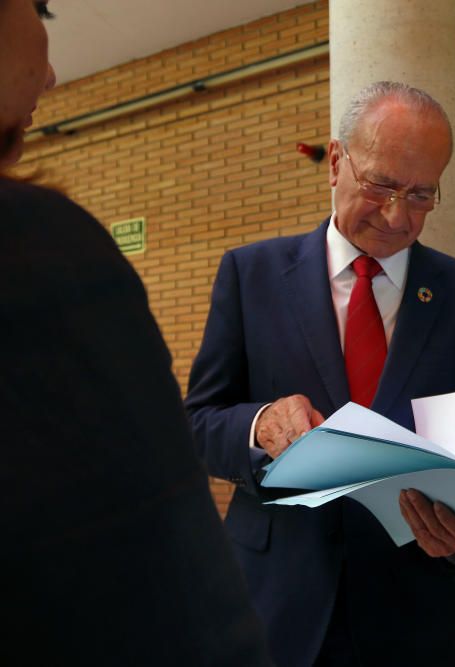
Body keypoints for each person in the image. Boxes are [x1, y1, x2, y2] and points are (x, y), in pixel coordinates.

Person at [184, 81, 455, 666]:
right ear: (336, 162)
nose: (395, 215)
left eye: (420, 195)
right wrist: (258, 426)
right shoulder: (249, 275)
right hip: (278, 603)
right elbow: (198, 423)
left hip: (414, 613)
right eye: (381, 184)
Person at [0, 1, 272, 664]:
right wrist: (259, 425)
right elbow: (166, 590)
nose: (53, 73)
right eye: (37, 9)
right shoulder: (42, 252)